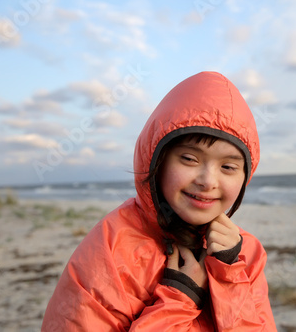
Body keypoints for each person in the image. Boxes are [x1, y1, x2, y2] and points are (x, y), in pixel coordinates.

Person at [42, 71, 277, 331]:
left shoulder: (246, 253)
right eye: (189, 158)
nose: (208, 181)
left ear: (246, 176)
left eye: (229, 166)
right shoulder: (112, 246)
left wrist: (229, 277)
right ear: (157, 159)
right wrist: (179, 299)